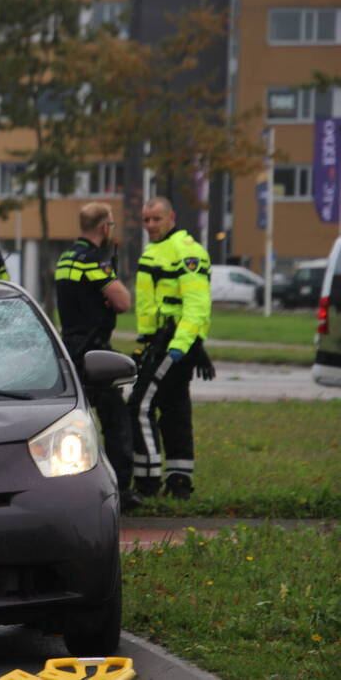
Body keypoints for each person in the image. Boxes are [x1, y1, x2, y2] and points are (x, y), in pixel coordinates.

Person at [55, 202, 141, 511]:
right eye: (112, 226)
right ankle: (122, 491)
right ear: (104, 227)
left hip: (69, 347)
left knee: (75, 421)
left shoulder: (65, 258)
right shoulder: (94, 261)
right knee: (116, 422)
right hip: (95, 350)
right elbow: (122, 301)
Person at [128, 196, 214, 500]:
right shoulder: (155, 250)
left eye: (156, 219)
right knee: (175, 411)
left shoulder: (187, 251)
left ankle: (148, 482)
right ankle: (179, 482)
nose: (150, 225)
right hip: (161, 342)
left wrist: (180, 347)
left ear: (171, 217)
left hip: (174, 343)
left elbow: (196, 306)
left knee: (138, 406)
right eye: (146, 220)